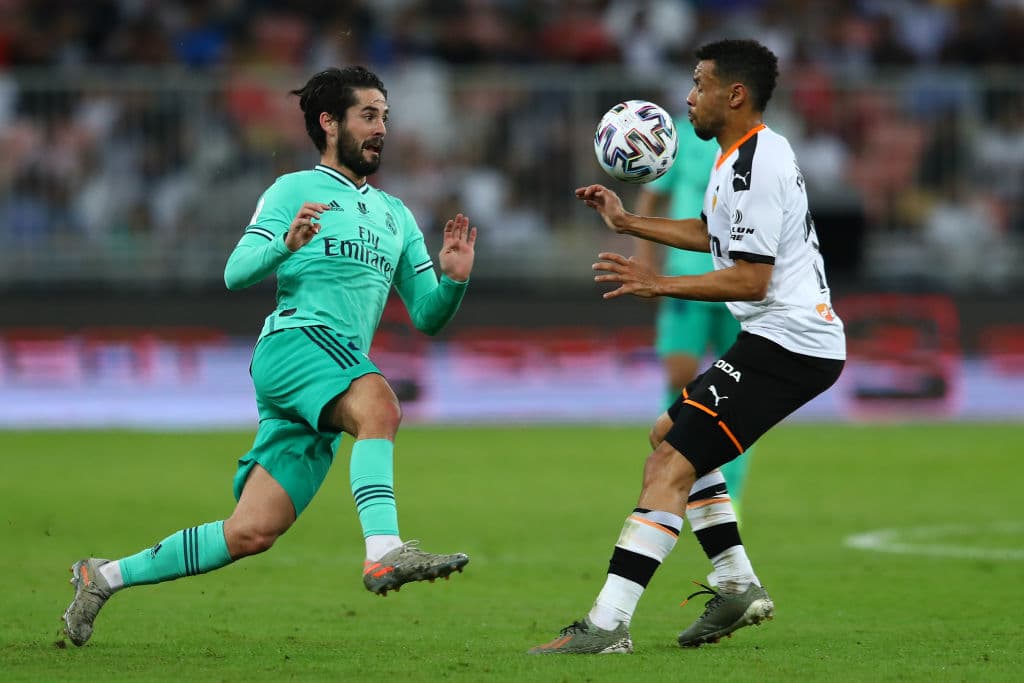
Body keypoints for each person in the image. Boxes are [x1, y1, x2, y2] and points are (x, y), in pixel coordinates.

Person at [62, 66, 478, 647]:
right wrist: (285, 245)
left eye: (385, 115)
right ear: (329, 122)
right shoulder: (291, 192)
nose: (382, 127)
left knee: (252, 531)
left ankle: (102, 576)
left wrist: (454, 281)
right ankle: (384, 552)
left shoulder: (398, 217)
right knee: (380, 406)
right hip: (295, 344)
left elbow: (428, 317)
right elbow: (235, 273)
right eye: (369, 115)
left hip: (331, 372)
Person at [530, 39, 845, 655]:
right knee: (664, 437)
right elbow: (713, 236)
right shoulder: (742, 158)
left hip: (790, 344)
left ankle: (607, 625)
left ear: (734, 94)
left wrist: (657, 280)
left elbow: (751, 276)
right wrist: (629, 224)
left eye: (699, 83)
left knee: (668, 465)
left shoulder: (754, 165)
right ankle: (736, 585)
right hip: (782, 338)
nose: (687, 96)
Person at [633, 115, 756, 513]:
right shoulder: (679, 141)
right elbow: (653, 195)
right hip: (685, 274)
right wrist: (646, 260)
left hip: (738, 277)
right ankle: (678, 474)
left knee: (737, 390)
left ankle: (727, 493)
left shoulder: (757, 145)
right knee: (680, 374)